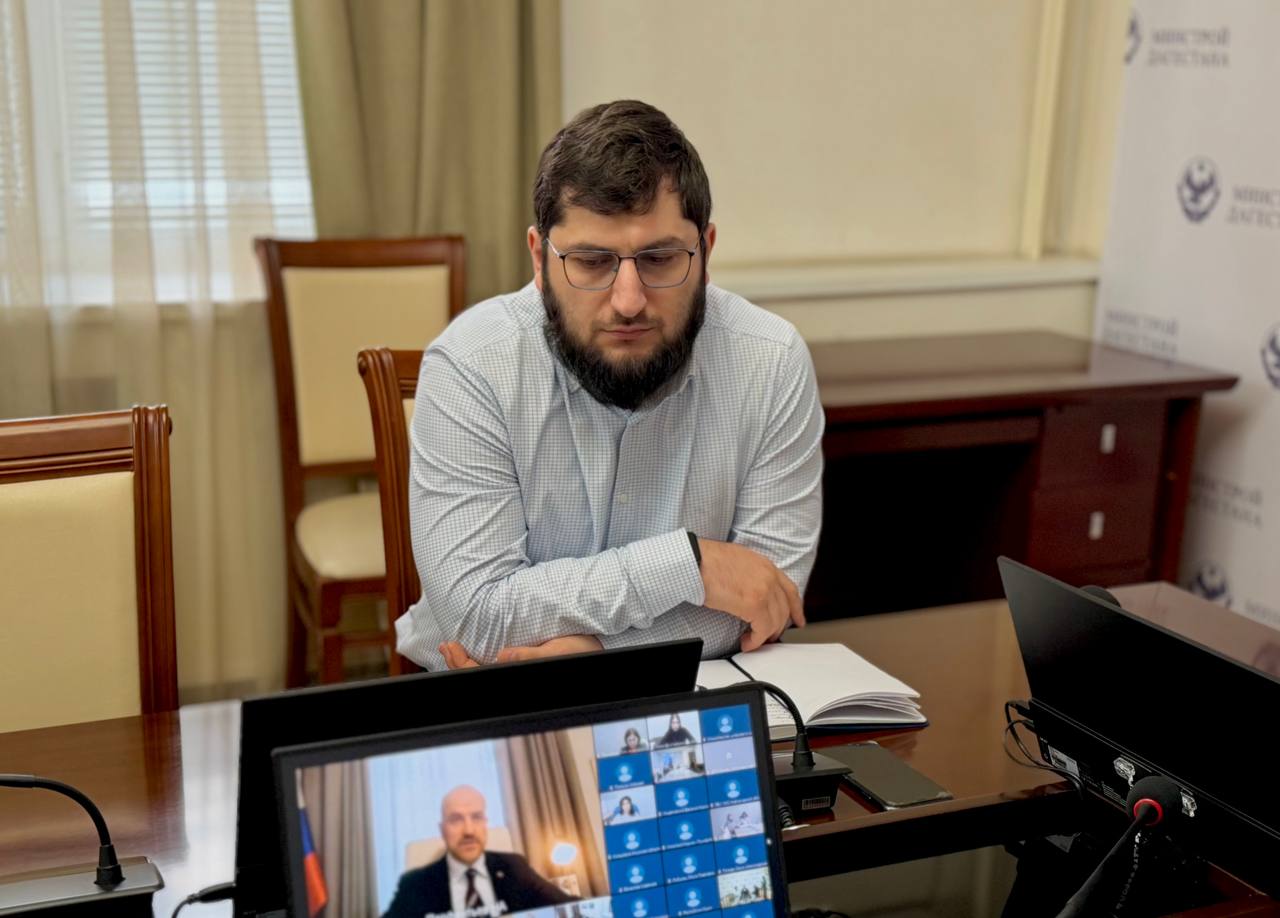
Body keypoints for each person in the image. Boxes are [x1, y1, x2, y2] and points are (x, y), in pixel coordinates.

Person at [394, 100, 824, 672]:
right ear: (539, 258)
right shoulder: (470, 365)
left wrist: (597, 655)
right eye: (592, 262)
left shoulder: (771, 360)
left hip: (699, 692)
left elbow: (770, 598)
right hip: (487, 699)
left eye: (660, 258)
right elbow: (477, 617)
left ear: (706, 252)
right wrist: (690, 566)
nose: (628, 301)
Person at [382, 786, 575, 918]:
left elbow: (571, 907)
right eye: (456, 819)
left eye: (476, 817)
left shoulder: (514, 867)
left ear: (485, 824)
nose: (469, 831)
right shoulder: (414, 885)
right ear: (442, 830)